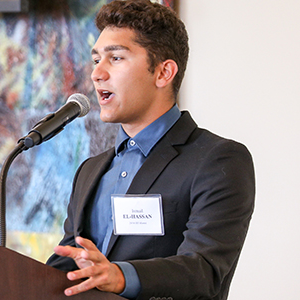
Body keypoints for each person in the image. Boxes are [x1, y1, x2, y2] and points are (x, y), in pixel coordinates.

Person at [45, 1, 255, 300]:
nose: (97, 74)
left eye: (115, 58)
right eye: (96, 60)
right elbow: (69, 265)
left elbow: (204, 271)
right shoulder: (89, 170)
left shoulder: (218, 160)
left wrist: (119, 276)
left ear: (163, 73)